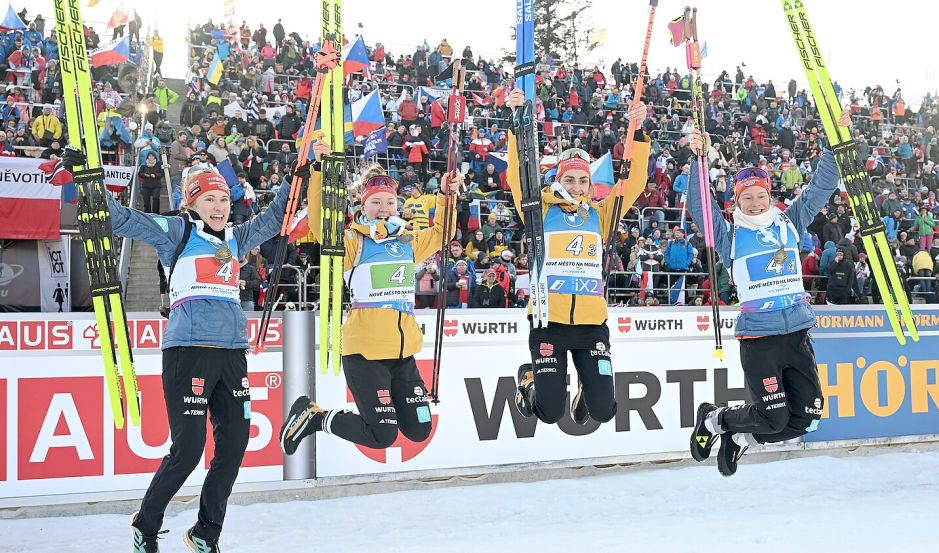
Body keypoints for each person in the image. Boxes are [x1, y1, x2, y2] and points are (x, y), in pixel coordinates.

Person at [61, 146, 294, 552]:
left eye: (223, 199)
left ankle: (206, 533)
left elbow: (277, 217)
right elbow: (121, 219)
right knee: (188, 450)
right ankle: (145, 524)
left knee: (234, 446)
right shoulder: (178, 233)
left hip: (232, 353)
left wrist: (298, 174)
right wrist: (87, 178)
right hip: (188, 350)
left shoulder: (236, 238)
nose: (218, 206)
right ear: (192, 202)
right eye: (209, 199)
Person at [686, 112, 847, 477]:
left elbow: (822, 186)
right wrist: (699, 160)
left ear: (770, 196)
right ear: (737, 203)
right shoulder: (728, 236)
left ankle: (738, 437)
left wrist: (836, 143)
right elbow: (700, 208)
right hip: (760, 338)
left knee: (805, 419)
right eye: (748, 198)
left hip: (797, 335)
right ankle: (715, 420)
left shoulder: (790, 221)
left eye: (761, 196)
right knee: (773, 418)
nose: (756, 203)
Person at [280, 157, 461, 458]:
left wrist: (446, 195)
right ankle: (314, 417)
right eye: (375, 202)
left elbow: (444, 232)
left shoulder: (408, 242)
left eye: (389, 202)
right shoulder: (354, 242)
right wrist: (317, 178)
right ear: (363, 206)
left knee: (419, 429)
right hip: (365, 353)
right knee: (381, 435)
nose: (383, 209)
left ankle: (316, 416)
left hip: (402, 354)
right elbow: (320, 226)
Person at [506, 88, 649, 426]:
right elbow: (517, 176)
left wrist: (638, 132)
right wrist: (516, 126)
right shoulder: (537, 210)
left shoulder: (600, 214)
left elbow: (636, 181)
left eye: (582, 180)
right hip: (548, 322)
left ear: (590, 184)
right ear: (557, 179)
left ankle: (587, 385)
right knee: (549, 412)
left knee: (603, 411)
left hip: (590, 324)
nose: (576, 185)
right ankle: (529, 379)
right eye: (569, 179)